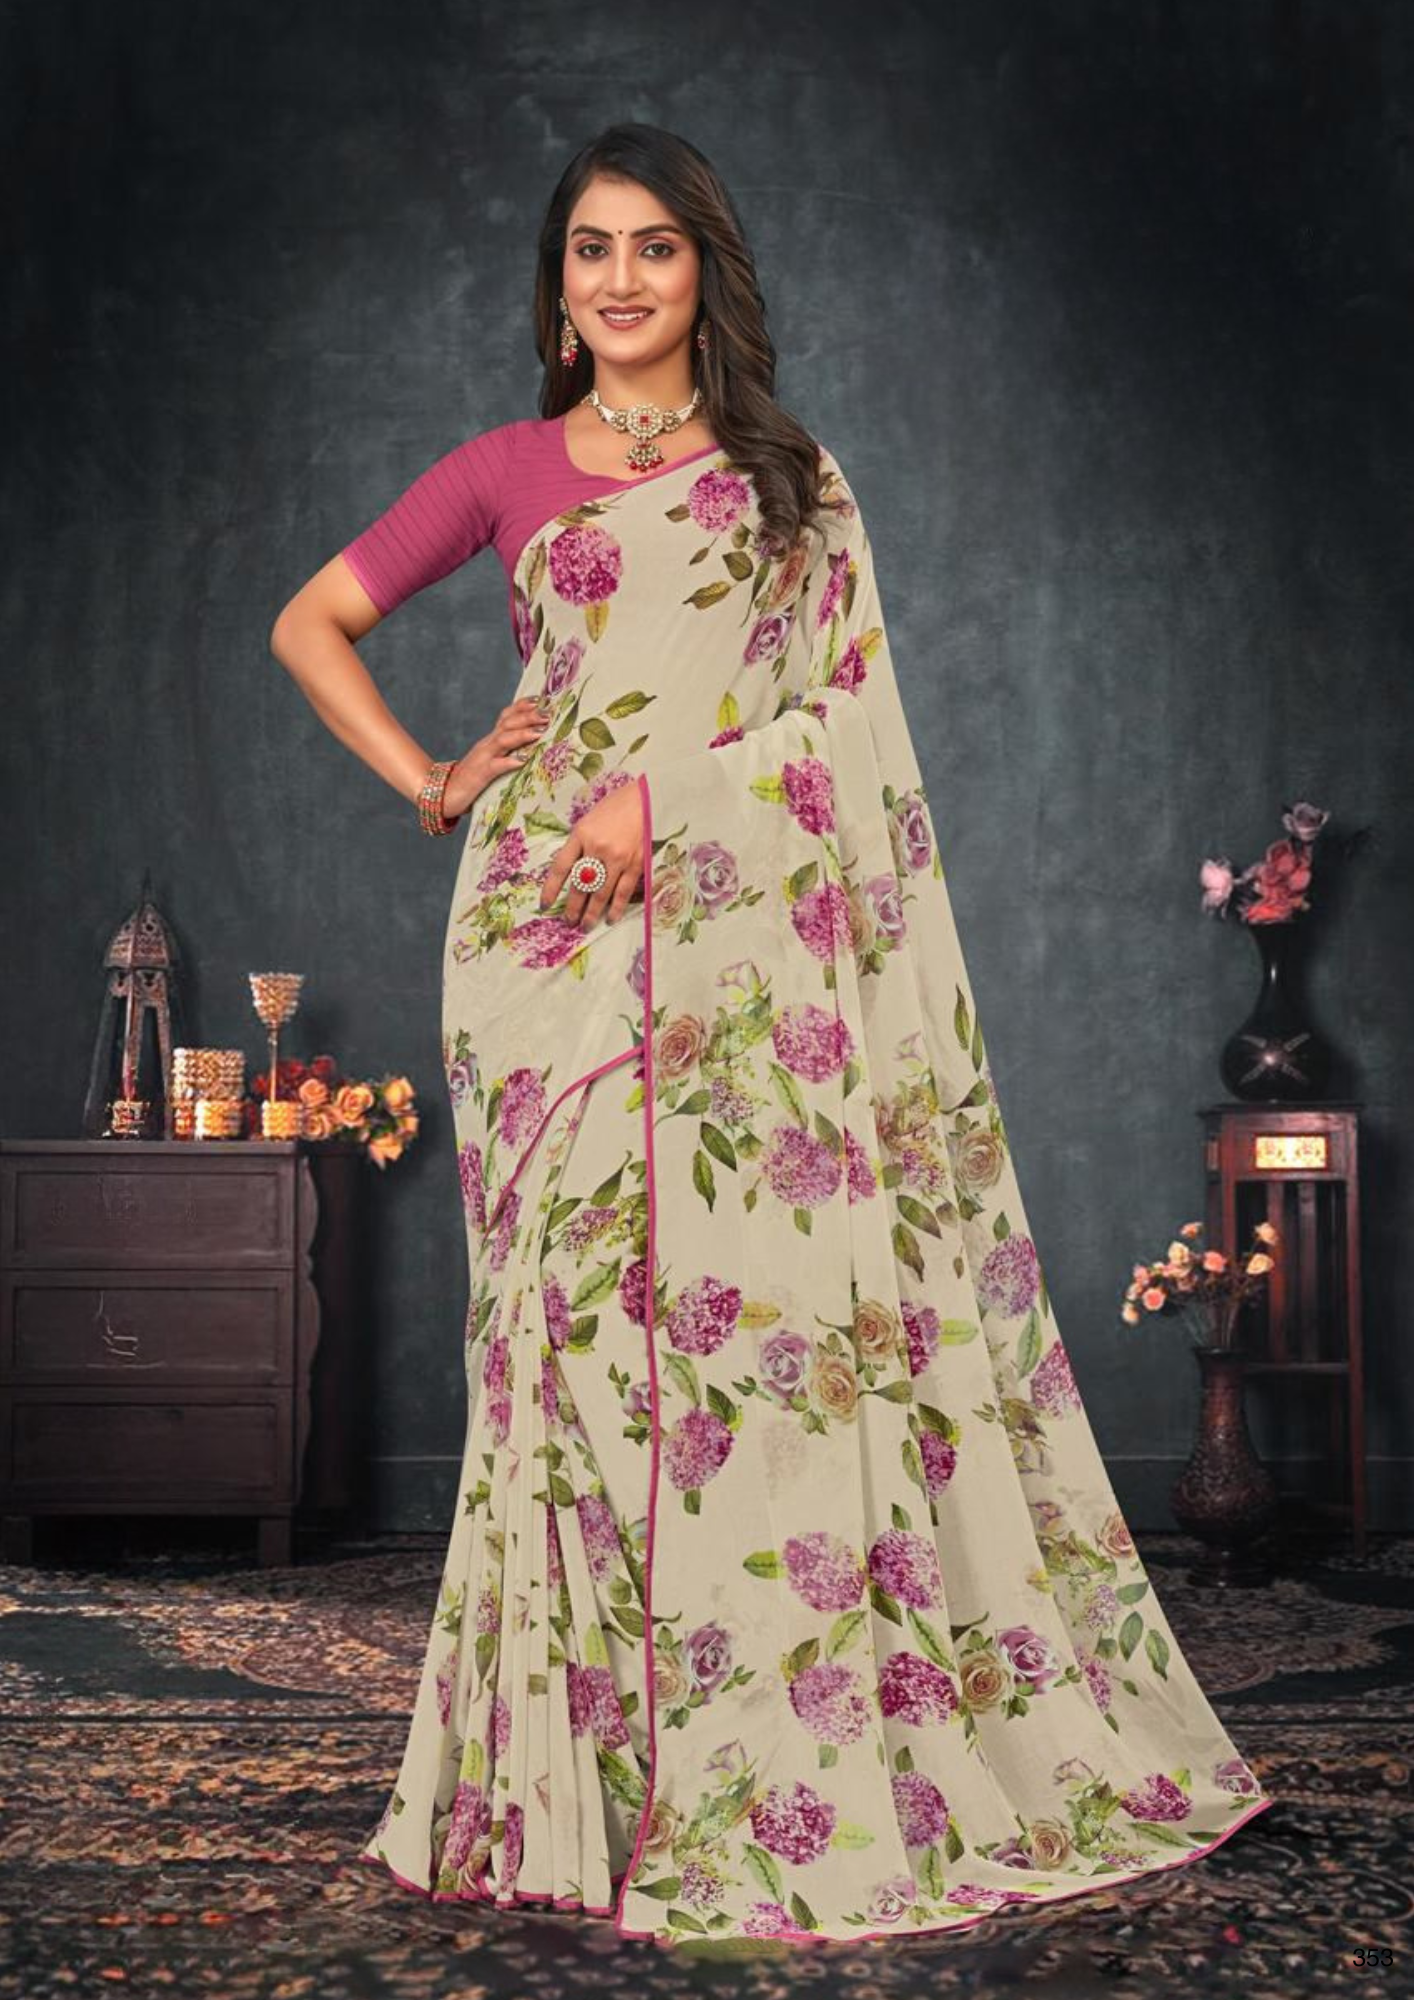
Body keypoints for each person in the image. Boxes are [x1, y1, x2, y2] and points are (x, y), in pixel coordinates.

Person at [270, 120, 1273, 1952]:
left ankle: (752, 1764)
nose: (620, 278)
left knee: (752, 1337)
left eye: (653, 247)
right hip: (540, 950)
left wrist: (671, 803)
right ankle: (559, 1795)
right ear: (557, 287)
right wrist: (436, 778)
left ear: (702, 274)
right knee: (564, 1349)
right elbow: (313, 620)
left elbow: (848, 730)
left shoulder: (786, 481)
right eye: (590, 249)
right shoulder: (501, 467)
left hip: (739, 954)